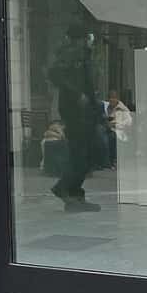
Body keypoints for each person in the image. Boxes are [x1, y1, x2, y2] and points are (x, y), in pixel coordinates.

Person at [47, 22, 104, 211]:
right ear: (77, 39)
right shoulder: (69, 53)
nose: (88, 41)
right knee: (80, 153)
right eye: (85, 38)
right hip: (75, 111)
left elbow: (88, 82)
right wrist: (75, 94)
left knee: (87, 153)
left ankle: (75, 194)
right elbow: (55, 74)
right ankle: (65, 189)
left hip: (86, 110)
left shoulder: (84, 55)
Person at [103, 88, 133, 168]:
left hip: (119, 131)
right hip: (107, 129)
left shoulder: (123, 109)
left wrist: (116, 124)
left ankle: (113, 160)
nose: (112, 100)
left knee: (112, 137)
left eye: (114, 97)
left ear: (117, 98)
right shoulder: (105, 107)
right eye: (110, 98)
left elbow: (129, 121)